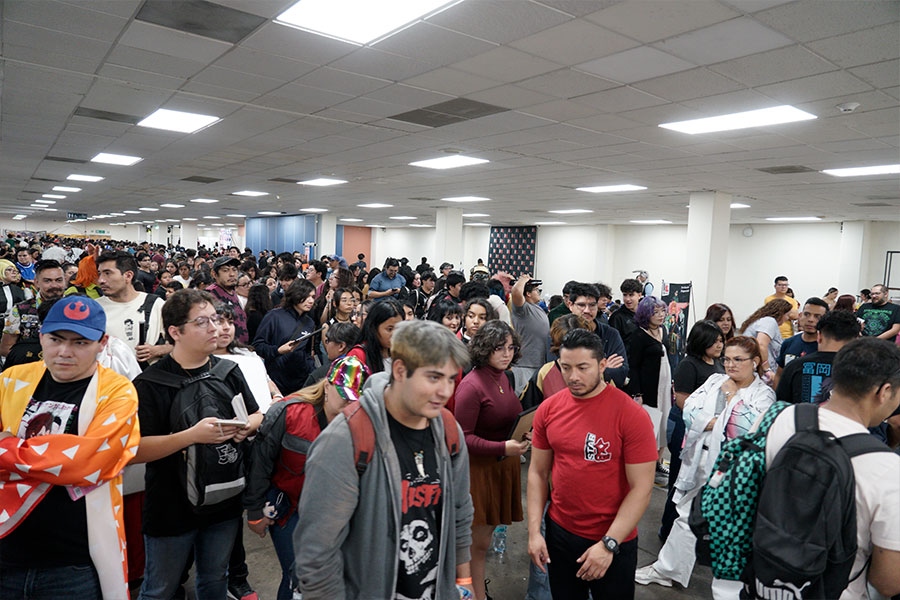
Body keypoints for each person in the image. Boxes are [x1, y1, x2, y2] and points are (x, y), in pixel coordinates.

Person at [294, 320, 476, 599]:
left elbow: (460, 511)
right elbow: (317, 552)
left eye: (451, 379)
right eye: (433, 378)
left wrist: (463, 580)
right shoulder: (345, 440)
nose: (445, 391)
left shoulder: (449, 431)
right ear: (400, 370)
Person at [0, 296, 140, 599]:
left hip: (73, 562)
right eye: (56, 339)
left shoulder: (118, 392)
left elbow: (88, 463)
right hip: (6, 549)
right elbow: (71, 460)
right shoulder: (12, 380)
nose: (64, 352)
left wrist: (7, 448)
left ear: (102, 344)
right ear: (41, 336)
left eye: (80, 342)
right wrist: (56, 456)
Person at [133, 289, 263, 600]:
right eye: (202, 322)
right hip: (170, 504)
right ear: (175, 332)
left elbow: (257, 414)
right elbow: (136, 450)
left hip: (224, 497)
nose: (215, 329)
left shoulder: (227, 370)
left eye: (215, 320)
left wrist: (245, 427)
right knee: (160, 588)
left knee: (215, 578)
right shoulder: (150, 383)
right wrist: (191, 436)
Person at [634, 336, 775, 598]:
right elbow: (689, 409)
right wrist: (719, 420)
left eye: (738, 360)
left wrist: (731, 399)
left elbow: (748, 429)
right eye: (727, 359)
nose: (731, 365)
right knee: (686, 516)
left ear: (755, 362)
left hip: (735, 470)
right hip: (700, 460)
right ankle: (668, 569)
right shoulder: (714, 381)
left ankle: (730, 590)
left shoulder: (763, 394)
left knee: (730, 528)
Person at [764, 338, 900, 599]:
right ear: (884, 392)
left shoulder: (780, 418)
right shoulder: (888, 468)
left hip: (766, 579)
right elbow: (888, 581)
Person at [527, 329, 656, 599]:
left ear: (602, 365)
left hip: (613, 538)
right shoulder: (549, 409)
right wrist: (534, 532)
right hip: (560, 533)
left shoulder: (631, 415)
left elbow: (642, 488)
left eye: (583, 368)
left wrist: (608, 545)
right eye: (566, 368)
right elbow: (538, 473)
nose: (573, 376)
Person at [244, 357, 368, 600]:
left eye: (355, 400)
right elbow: (260, 463)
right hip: (289, 507)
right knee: (298, 574)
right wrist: (255, 511)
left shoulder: (361, 424)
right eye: (344, 396)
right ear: (327, 386)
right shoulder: (289, 412)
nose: (348, 405)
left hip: (332, 513)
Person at [454, 321, 528, 600]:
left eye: (510, 347)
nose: (507, 354)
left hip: (499, 466)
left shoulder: (504, 377)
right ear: (485, 349)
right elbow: (463, 438)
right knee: (475, 544)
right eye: (499, 348)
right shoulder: (471, 385)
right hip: (479, 472)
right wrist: (502, 446)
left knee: (482, 542)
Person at [658, 320, 725, 541]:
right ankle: (668, 530)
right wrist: (708, 420)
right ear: (701, 341)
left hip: (706, 430)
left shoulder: (717, 363)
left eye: (721, 340)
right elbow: (682, 401)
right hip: (685, 427)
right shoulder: (689, 365)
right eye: (714, 341)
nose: (719, 345)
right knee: (679, 480)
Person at [625, 296, 673, 484]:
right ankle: (645, 467)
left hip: (665, 386)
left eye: (662, 311)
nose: (661, 315)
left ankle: (657, 463)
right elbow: (634, 367)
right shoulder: (638, 335)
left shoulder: (663, 330)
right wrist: (637, 393)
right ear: (646, 314)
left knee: (664, 425)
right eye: (656, 312)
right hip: (648, 389)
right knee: (650, 428)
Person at [95, 250, 168, 364]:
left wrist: (156, 350)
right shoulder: (94, 308)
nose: (101, 280)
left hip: (146, 372)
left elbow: (180, 342)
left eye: (107, 273)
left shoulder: (155, 304)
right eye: (100, 274)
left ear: (128, 276)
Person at [775, 310, 861, 404]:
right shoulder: (863, 370)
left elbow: (781, 405)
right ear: (856, 339)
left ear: (819, 336)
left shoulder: (794, 367)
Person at [252, 279, 318, 396]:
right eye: (307, 296)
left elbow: (307, 352)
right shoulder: (274, 316)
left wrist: (311, 370)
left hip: (301, 382)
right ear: (296, 295)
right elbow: (258, 346)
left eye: (313, 297)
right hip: (277, 380)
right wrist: (277, 351)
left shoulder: (309, 323)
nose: (311, 301)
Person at [0, 259, 66, 362]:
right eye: (47, 281)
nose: (54, 285)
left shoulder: (77, 309)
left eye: (58, 280)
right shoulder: (20, 310)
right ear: (36, 282)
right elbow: (6, 348)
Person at [773, 297, 829, 387]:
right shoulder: (788, 343)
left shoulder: (828, 347)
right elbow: (779, 375)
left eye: (817, 317)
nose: (810, 319)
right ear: (800, 316)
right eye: (807, 314)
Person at [511, 274, 550, 395]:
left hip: (539, 363)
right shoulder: (522, 309)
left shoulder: (537, 308)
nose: (539, 293)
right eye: (537, 290)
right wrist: (523, 279)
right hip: (525, 365)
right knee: (524, 399)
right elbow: (516, 292)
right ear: (528, 293)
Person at [739, 299, 793, 384]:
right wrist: (766, 368)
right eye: (787, 315)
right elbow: (761, 344)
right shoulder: (769, 321)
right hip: (761, 372)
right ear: (781, 313)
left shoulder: (763, 321)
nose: (788, 318)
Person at [345, 299, 404, 374]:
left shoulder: (401, 354)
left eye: (398, 329)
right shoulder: (357, 355)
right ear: (374, 328)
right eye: (389, 329)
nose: (395, 334)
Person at [207, 256, 250, 344]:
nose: (232, 274)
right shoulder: (209, 295)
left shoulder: (233, 292)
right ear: (214, 274)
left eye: (234, 270)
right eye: (225, 270)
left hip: (239, 348)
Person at [764, 275, 800, 341]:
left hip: (787, 334)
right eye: (780, 285)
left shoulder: (792, 301)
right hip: (771, 332)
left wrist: (778, 311)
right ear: (775, 286)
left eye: (785, 285)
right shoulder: (769, 299)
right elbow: (770, 314)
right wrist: (788, 312)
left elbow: (795, 316)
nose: (783, 287)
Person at [608, 278, 642, 348]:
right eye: (625, 295)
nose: (627, 299)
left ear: (639, 295)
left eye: (631, 295)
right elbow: (612, 343)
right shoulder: (617, 317)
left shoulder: (645, 314)